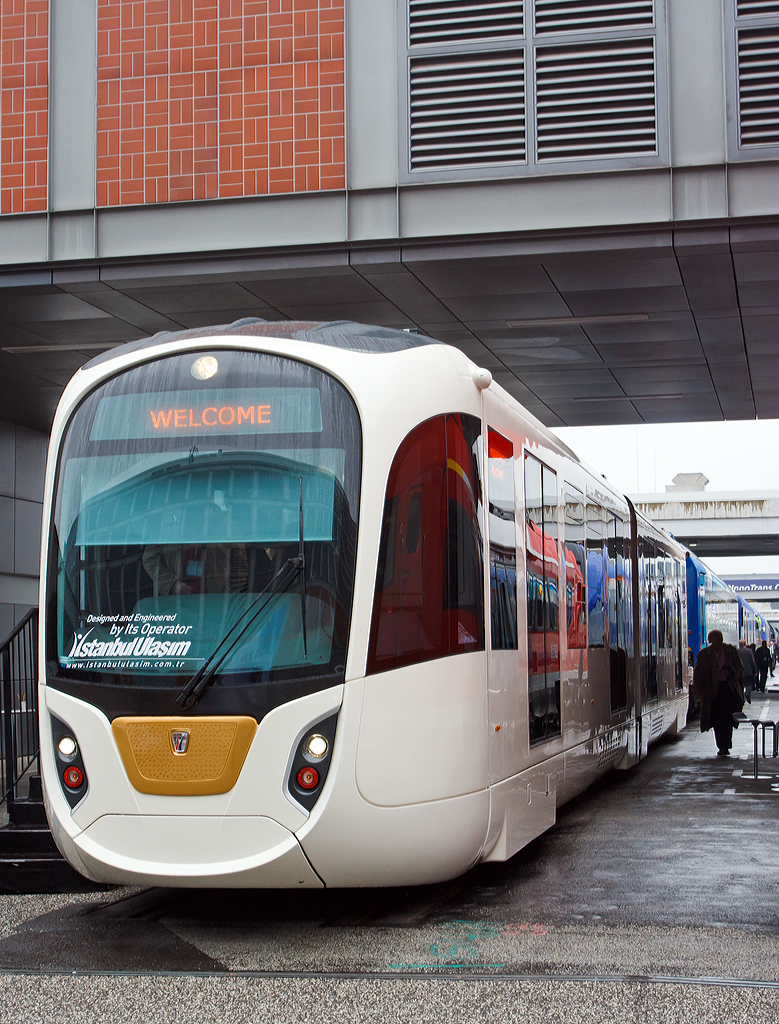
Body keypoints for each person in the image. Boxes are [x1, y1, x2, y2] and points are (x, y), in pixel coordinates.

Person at [692, 630, 744, 756]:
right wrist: (700, 693)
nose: (715, 643)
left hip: (728, 689)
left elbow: (740, 670)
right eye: (713, 641)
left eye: (717, 640)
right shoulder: (704, 655)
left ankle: (726, 745)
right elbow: (698, 675)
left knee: (728, 719)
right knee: (716, 720)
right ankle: (721, 746)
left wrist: (732, 673)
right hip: (713, 692)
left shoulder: (730, 652)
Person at [737, 639, 757, 704]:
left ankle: (742, 699)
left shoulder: (737, 651)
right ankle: (747, 693)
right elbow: (752, 661)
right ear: (745, 644)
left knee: (741, 686)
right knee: (749, 684)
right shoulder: (749, 651)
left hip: (740, 672)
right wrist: (755, 670)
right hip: (748, 671)